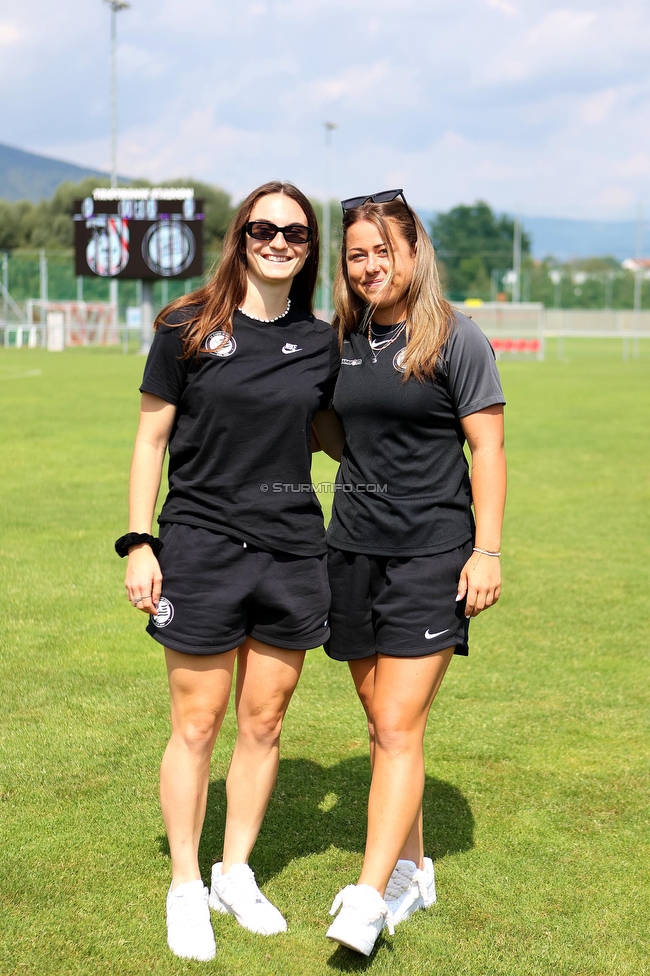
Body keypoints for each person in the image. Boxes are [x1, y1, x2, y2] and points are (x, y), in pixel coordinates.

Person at [115, 182, 339, 962]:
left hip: (291, 551)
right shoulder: (186, 324)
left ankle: (233, 873)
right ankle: (185, 886)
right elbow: (150, 441)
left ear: (311, 250)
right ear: (240, 235)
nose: (279, 241)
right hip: (202, 547)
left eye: (297, 234)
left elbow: (346, 432)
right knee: (197, 724)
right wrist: (139, 541)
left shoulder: (322, 340)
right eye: (264, 227)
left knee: (264, 723)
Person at [318, 189, 506, 956]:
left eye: (382, 250)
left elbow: (487, 449)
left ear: (414, 252)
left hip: (433, 552)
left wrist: (485, 551)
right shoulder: (344, 338)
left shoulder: (455, 337)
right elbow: (334, 431)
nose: (369, 265)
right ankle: (413, 870)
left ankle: (367, 898)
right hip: (353, 549)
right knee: (383, 725)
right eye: (357, 252)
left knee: (397, 725)